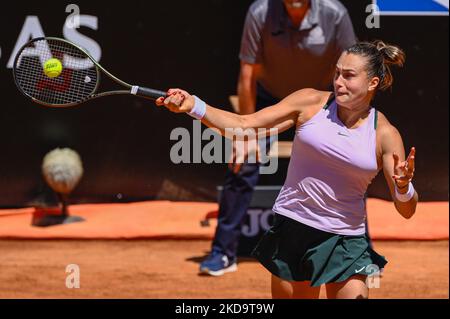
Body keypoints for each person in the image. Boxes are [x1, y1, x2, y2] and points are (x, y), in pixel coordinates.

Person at [155, 40, 418, 299]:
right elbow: (245, 126)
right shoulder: (309, 103)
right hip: (294, 230)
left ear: (372, 83)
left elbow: (406, 210)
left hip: (346, 240)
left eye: (349, 76)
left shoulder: (385, 134)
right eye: (337, 72)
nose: (338, 82)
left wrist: (404, 188)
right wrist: (194, 106)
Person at [199, 0, 357, 276]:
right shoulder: (260, 12)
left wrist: (346, 123)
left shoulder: (335, 14)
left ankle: (352, 252)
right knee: (243, 159)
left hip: (319, 102)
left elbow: (352, 72)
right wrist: (244, 135)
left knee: (346, 166)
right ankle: (223, 252)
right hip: (270, 99)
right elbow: (247, 73)